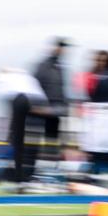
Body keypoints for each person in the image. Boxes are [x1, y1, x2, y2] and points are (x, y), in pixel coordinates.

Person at [31, 37, 69, 177]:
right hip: (43, 110)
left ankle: (50, 171)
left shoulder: (59, 67)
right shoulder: (43, 66)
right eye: (61, 47)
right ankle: (36, 171)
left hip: (55, 111)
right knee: (36, 142)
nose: (63, 50)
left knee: (52, 142)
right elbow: (35, 86)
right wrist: (39, 107)